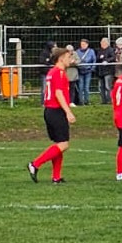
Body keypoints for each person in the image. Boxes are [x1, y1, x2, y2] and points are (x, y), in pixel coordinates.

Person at [28, 48, 76, 184]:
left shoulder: (51, 72)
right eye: (68, 57)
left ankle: (56, 177)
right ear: (61, 58)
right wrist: (68, 112)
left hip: (49, 110)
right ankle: (35, 164)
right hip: (56, 111)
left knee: (59, 144)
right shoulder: (59, 73)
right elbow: (58, 93)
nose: (70, 60)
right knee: (64, 144)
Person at [95, 37, 116, 105]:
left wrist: (106, 60)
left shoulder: (110, 50)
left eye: (103, 42)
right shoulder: (100, 50)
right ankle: (103, 100)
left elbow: (113, 57)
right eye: (101, 42)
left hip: (108, 71)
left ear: (106, 43)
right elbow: (97, 58)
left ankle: (109, 100)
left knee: (107, 86)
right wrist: (100, 58)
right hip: (100, 71)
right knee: (101, 87)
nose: (101, 43)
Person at [76, 39, 95, 106]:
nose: (83, 45)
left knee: (86, 87)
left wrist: (92, 68)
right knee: (80, 87)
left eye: (84, 44)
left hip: (88, 71)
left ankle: (87, 101)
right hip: (80, 71)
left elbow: (94, 60)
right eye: (82, 44)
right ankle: (81, 101)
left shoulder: (91, 51)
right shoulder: (77, 52)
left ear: (87, 45)